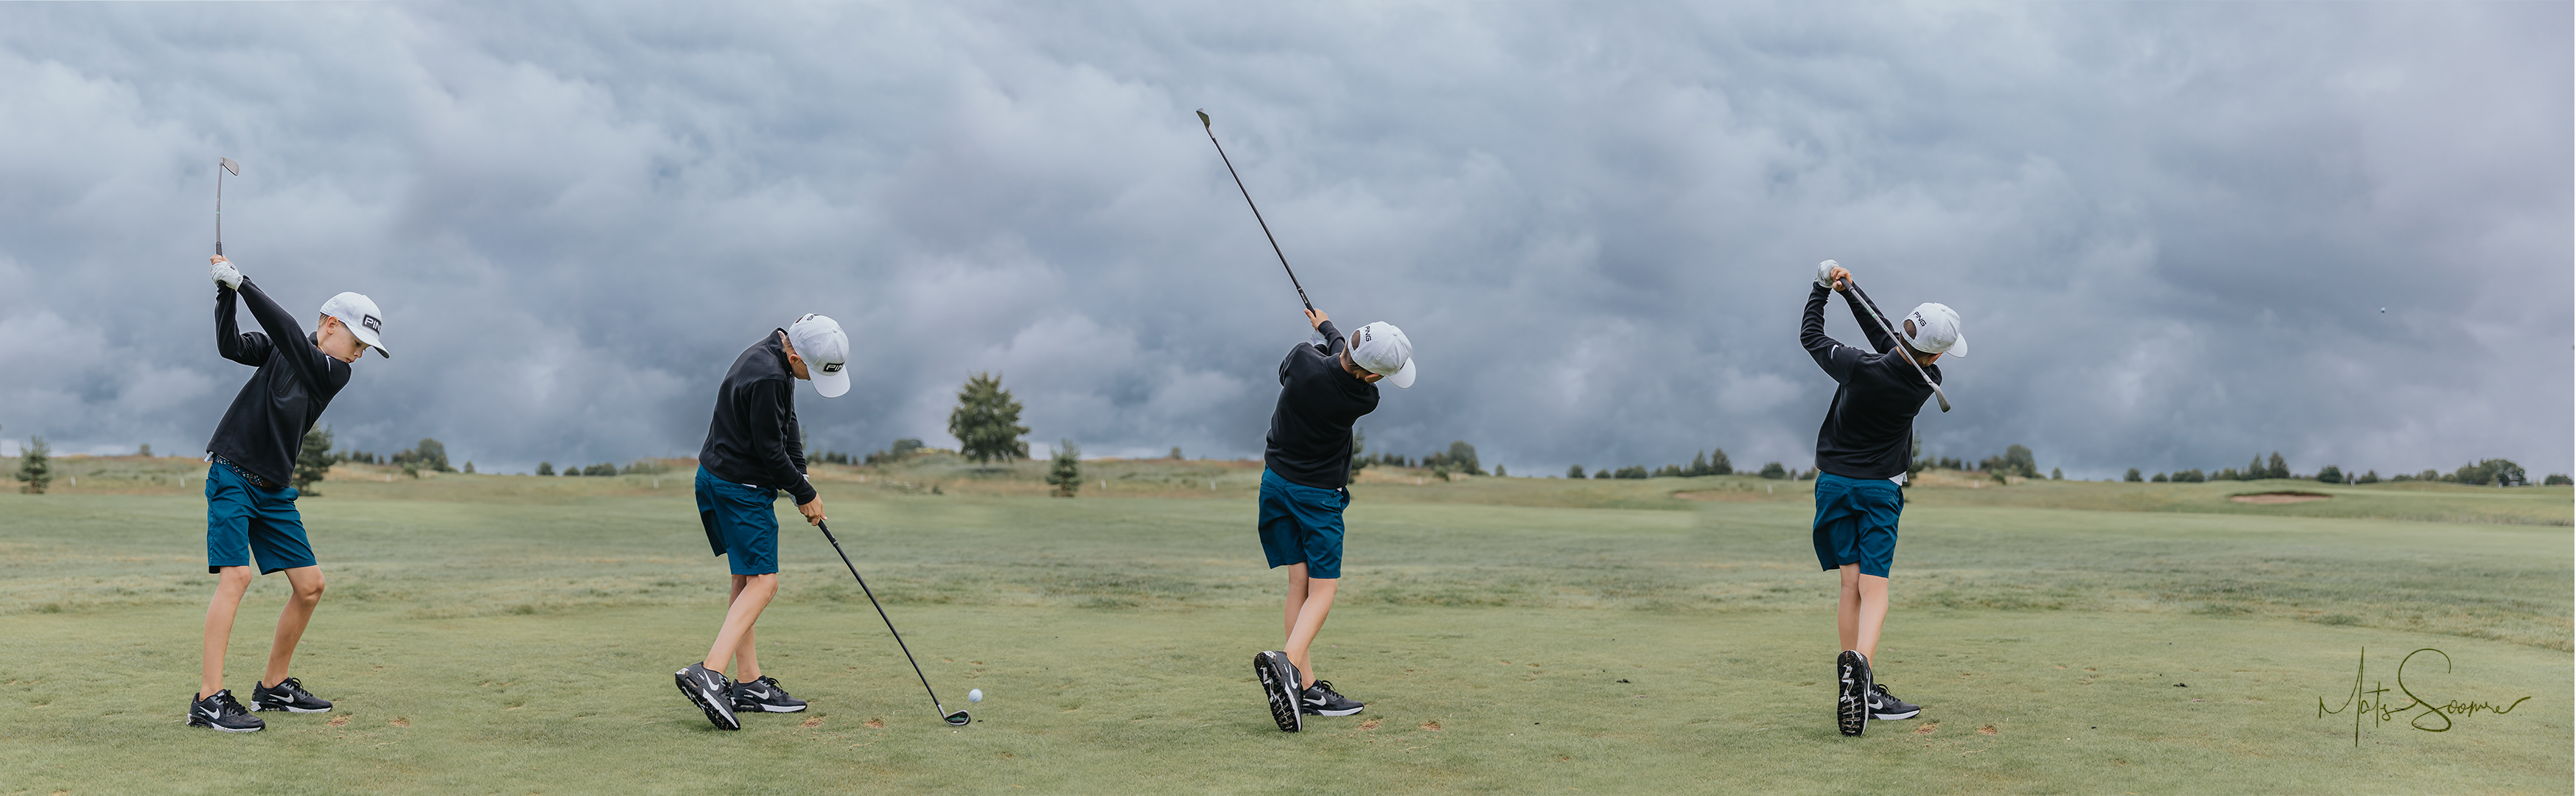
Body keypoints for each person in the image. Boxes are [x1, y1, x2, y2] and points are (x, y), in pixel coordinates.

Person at [189, 255, 389, 732]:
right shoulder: (287, 347)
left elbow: (287, 335)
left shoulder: (333, 372)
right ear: (329, 324)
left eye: (366, 348)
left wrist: (245, 284)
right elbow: (230, 346)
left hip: (274, 490)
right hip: (233, 474)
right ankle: (209, 700)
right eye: (357, 343)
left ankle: (273, 686)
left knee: (311, 585)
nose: (359, 355)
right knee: (237, 577)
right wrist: (225, 294)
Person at [1802, 261, 1963, 736]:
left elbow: (1812, 336)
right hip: (1879, 490)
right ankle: (1862, 675)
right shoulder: (1927, 381)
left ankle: (1852, 684)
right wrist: (1852, 293)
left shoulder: (1856, 366)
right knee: (1875, 589)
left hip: (1834, 485)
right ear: (1935, 356)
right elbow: (1888, 339)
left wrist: (1821, 289)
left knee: (1848, 585)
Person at [673, 314, 850, 730]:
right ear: (796, 356)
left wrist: (801, 475)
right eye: (812, 372)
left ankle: (749, 683)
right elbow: (770, 452)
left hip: (716, 477)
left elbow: (787, 423)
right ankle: (709, 672)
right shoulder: (771, 375)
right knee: (766, 583)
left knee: (746, 578)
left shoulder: (775, 355)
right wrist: (804, 495)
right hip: (739, 488)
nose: (811, 380)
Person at [1251, 308, 1415, 733]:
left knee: (1298, 583)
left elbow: (1331, 357)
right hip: (1317, 498)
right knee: (1324, 589)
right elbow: (1344, 363)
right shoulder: (1365, 399)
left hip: (1275, 484)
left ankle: (1305, 689)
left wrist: (1325, 329)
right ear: (1373, 376)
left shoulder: (1301, 360)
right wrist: (1329, 331)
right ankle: (1287, 665)